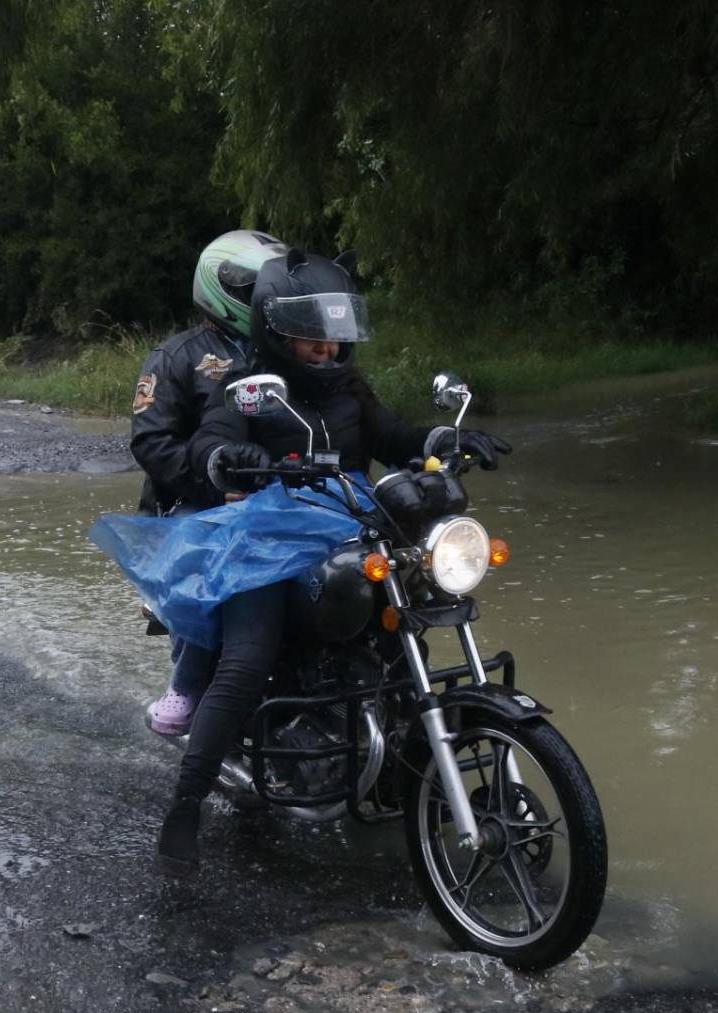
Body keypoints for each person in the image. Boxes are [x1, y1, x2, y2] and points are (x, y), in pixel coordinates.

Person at [157, 248, 511, 874]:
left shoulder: (351, 391)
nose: (326, 352)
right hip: (266, 542)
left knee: (407, 623)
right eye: (310, 343)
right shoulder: (245, 390)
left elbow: (396, 437)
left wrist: (446, 441)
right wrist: (225, 461)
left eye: (333, 342)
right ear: (275, 333)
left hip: (349, 528)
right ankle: (185, 805)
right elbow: (211, 442)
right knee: (245, 661)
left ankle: (397, 756)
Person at [131, 230, 289, 735]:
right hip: (191, 504)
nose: (265, 301)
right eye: (254, 290)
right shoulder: (176, 356)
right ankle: (187, 687)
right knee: (212, 567)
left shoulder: (286, 350)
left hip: (271, 496)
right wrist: (215, 485)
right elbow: (152, 442)